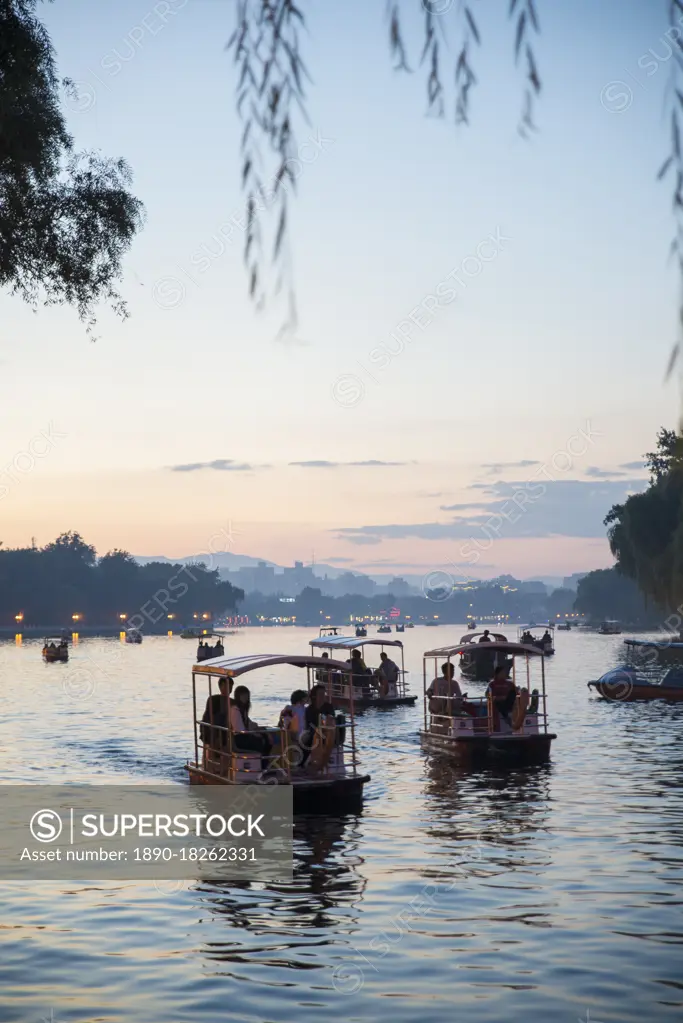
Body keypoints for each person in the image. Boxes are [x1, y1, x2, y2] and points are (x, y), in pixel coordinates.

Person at [229, 685, 273, 771]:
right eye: (243, 696)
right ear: (238, 696)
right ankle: (262, 767)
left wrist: (260, 729)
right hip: (239, 738)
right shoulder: (235, 710)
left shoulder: (243, 710)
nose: (245, 698)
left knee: (266, 739)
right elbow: (240, 729)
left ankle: (264, 766)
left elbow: (249, 723)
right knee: (261, 742)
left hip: (245, 736)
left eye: (247, 695)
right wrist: (254, 733)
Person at [200, 677, 232, 749]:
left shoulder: (232, 702)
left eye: (230, 686)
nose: (229, 688)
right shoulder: (213, 700)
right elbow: (210, 717)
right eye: (226, 685)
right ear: (220, 686)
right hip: (214, 729)